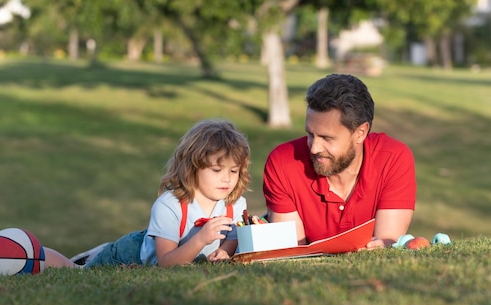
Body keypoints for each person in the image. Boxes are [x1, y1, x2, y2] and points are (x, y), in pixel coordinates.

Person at [44, 119, 251, 268]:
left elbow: (232, 237)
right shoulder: (170, 204)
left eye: (233, 171)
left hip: (162, 248)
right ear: (192, 167)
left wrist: (225, 251)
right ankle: (32, 254)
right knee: (76, 271)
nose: (227, 179)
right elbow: (167, 263)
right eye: (217, 170)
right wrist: (200, 240)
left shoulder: (235, 203)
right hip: (131, 254)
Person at [263, 73, 416, 249]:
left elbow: (387, 244)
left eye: (326, 138)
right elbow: (293, 253)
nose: (314, 148)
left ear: (360, 133)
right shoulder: (282, 163)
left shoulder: (393, 159)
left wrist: (383, 246)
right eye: (310, 134)